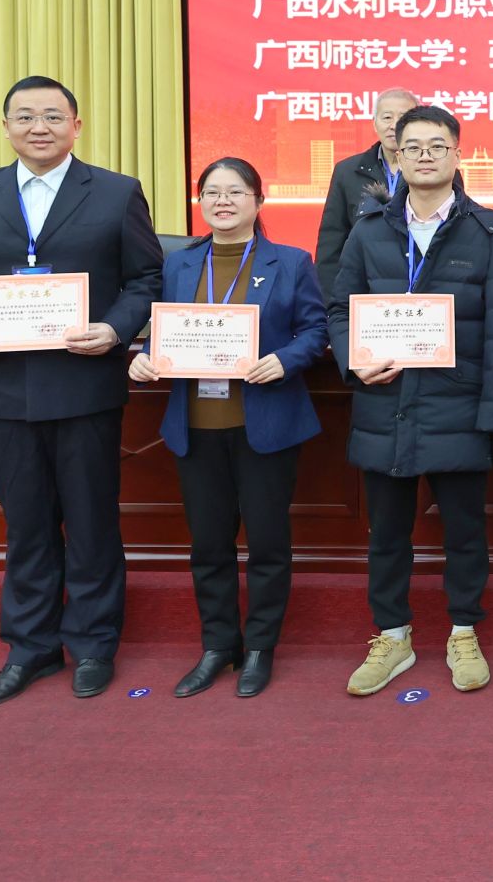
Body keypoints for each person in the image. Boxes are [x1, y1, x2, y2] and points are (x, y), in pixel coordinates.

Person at [0, 76, 164, 708]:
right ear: (6, 126)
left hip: (84, 383)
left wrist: (115, 329)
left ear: (76, 127)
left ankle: (92, 645)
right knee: (26, 526)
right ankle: (29, 648)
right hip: (5, 388)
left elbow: (147, 277)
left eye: (54, 116)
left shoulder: (116, 192)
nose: (40, 127)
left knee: (90, 521)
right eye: (26, 116)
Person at [326, 104, 493, 697]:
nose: (425, 156)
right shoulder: (368, 230)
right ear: (397, 155)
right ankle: (392, 636)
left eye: (438, 146)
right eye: (412, 147)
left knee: (464, 532)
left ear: (458, 155)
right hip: (384, 402)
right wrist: (353, 361)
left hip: (457, 406)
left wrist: (492, 417)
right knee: (386, 534)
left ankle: (464, 631)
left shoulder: (486, 232)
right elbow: (339, 309)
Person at [129, 157, 327, 699]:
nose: (223, 201)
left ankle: (260, 646)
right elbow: (164, 330)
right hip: (195, 425)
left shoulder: (291, 261)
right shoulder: (179, 263)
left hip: (265, 423)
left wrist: (285, 360)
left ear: (258, 201)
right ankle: (218, 645)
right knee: (209, 546)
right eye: (212, 192)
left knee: (267, 544)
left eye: (236, 192)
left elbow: (316, 330)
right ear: (199, 202)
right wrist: (144, 357)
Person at [315, 86, 419, 297]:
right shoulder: (347, 171)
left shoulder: (436, 170)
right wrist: (328, 302)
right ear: (374, 123)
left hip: (421, 288)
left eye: (403, 117)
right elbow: (331, 241)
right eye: (387, 117)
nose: (394, 125)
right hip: (363, 289)